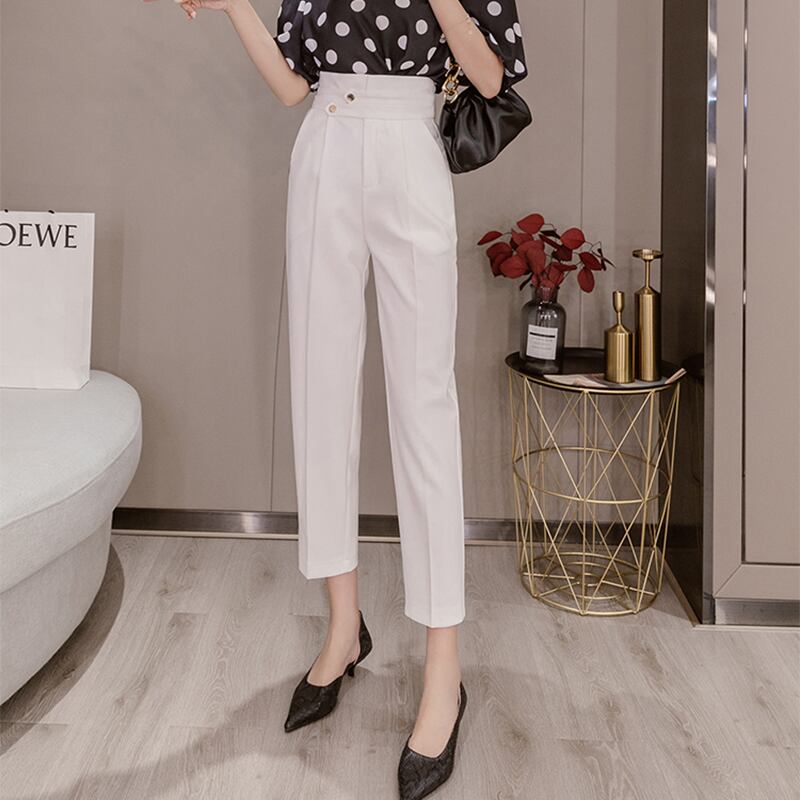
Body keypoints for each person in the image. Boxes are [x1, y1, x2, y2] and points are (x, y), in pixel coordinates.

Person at [146, 1, 527, 797]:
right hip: (323, 146)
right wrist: (234, 7)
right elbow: (294, 86)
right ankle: (343, 628)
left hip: (410, 147)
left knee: (424, 409)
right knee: (320, 394)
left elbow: (491, 78)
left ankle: (444, 672)